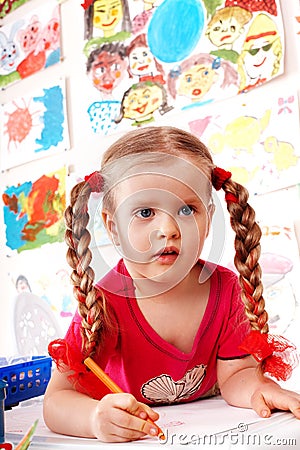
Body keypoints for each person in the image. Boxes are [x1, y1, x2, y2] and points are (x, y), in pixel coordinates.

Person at [43, 126, 300, 442]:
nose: (168, 229)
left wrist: (261, 389)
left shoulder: (226, 288)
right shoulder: (104, 303)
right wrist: (95, 419)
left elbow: (236, 375)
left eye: (186, 209)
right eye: (146, 211)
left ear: (207, 220)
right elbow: (57, 400)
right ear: (113, 227)